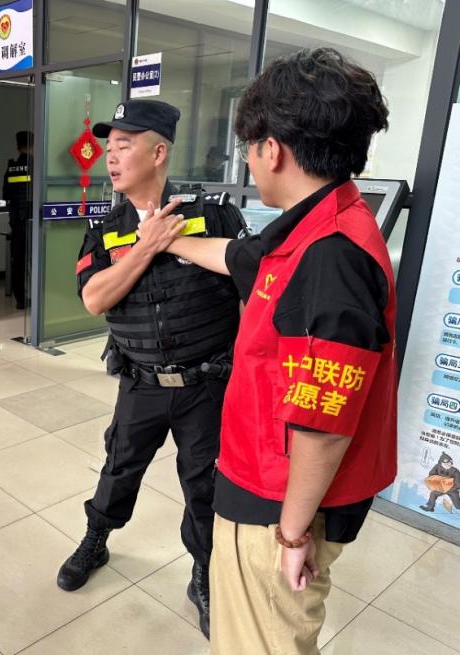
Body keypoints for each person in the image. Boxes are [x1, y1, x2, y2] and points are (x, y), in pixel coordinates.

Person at [162, 48, 396, 653]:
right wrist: (170, 241)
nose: (248, 159)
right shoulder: (311, 225)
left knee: (261, 640)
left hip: (279, 502)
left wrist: (292, 535)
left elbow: (324, 424)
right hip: (264, 479)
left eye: (249, 146)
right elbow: (239, 258)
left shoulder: (331, 257)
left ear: (273, 149)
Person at [58, 99, 246, 639]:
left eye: (124, 146)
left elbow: (249, 291)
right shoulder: (106, 229)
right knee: (119, 468)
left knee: (204, 485)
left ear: (158, 153)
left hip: (207, 383)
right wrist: (146, 248)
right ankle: (96, 540)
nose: (111, 158)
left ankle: (203, 574)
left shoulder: (213, 216)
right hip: (140, 382)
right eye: (108, 148)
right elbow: (94, 298)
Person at [1, 130, 33, 309]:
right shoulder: (35, 166)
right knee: (33, 260)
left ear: (17, 146)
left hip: (16, 221)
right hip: (32, 220)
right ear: (33, 146)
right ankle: (34, 297)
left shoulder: (11, 167)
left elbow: (5, 195)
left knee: (18, 260)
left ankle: (20, 299)